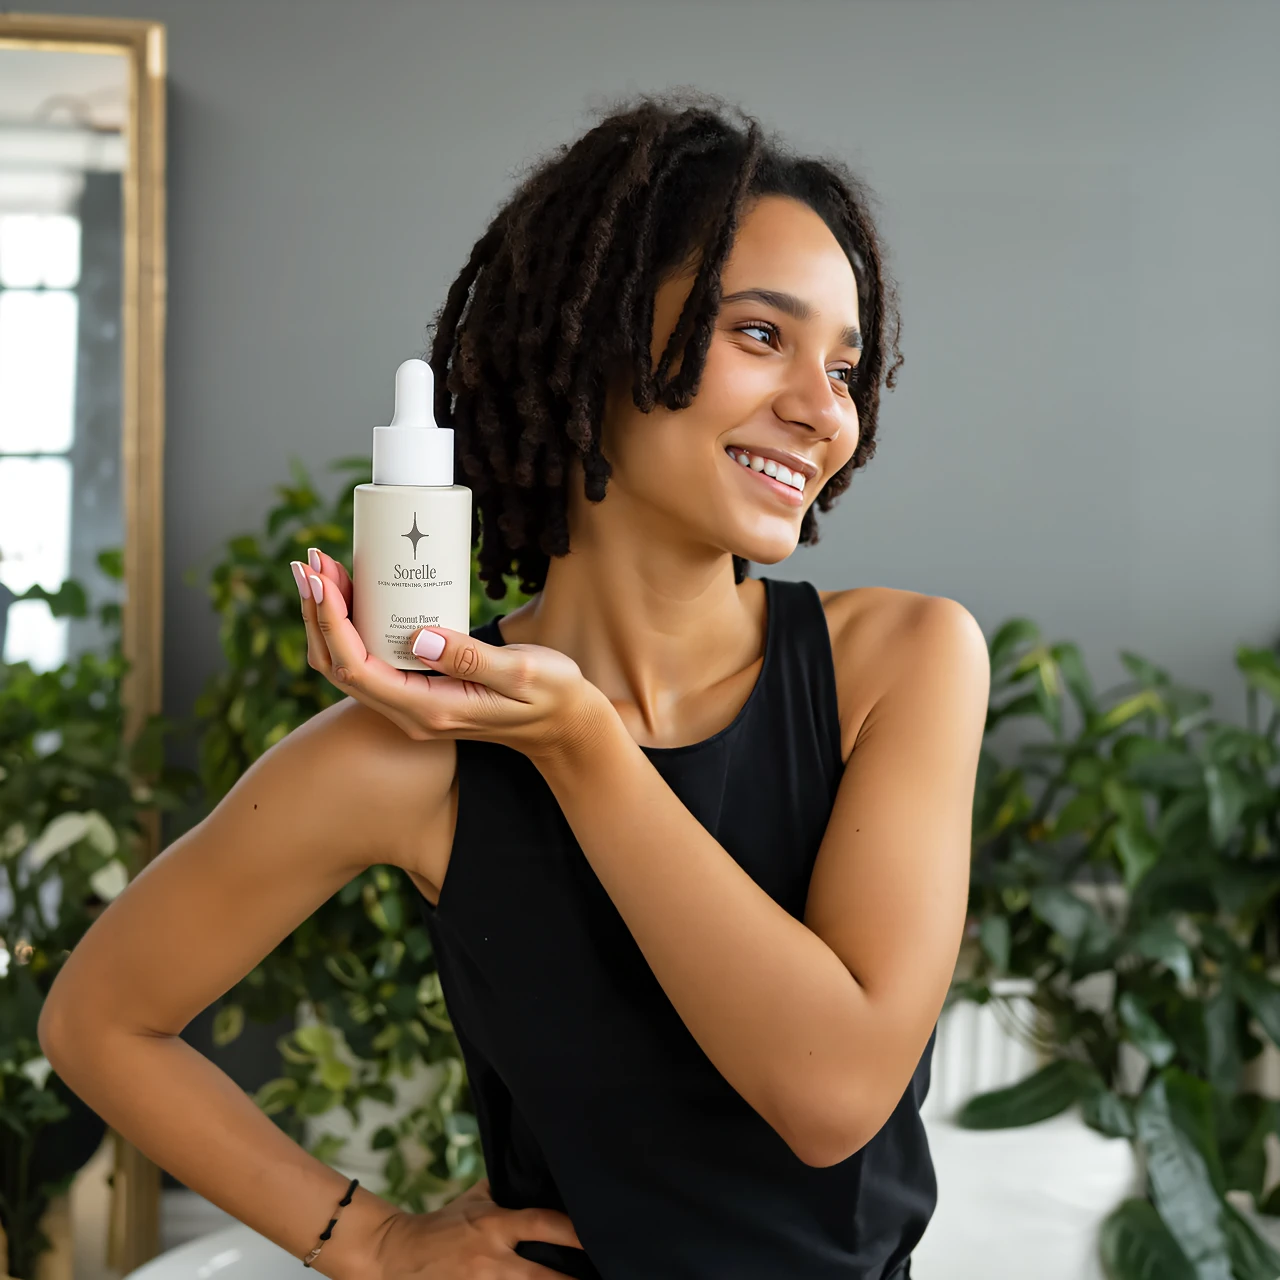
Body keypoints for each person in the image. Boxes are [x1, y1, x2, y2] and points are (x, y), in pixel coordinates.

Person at [38, 90, 989, 1280]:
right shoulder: (412, 756)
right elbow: (96, 1019)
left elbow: (832, 1092)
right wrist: (375, 1240)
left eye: (845, 367)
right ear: (595, 338)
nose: (821, 410)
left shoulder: (899, 663)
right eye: (760, 335)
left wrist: (582, 745)